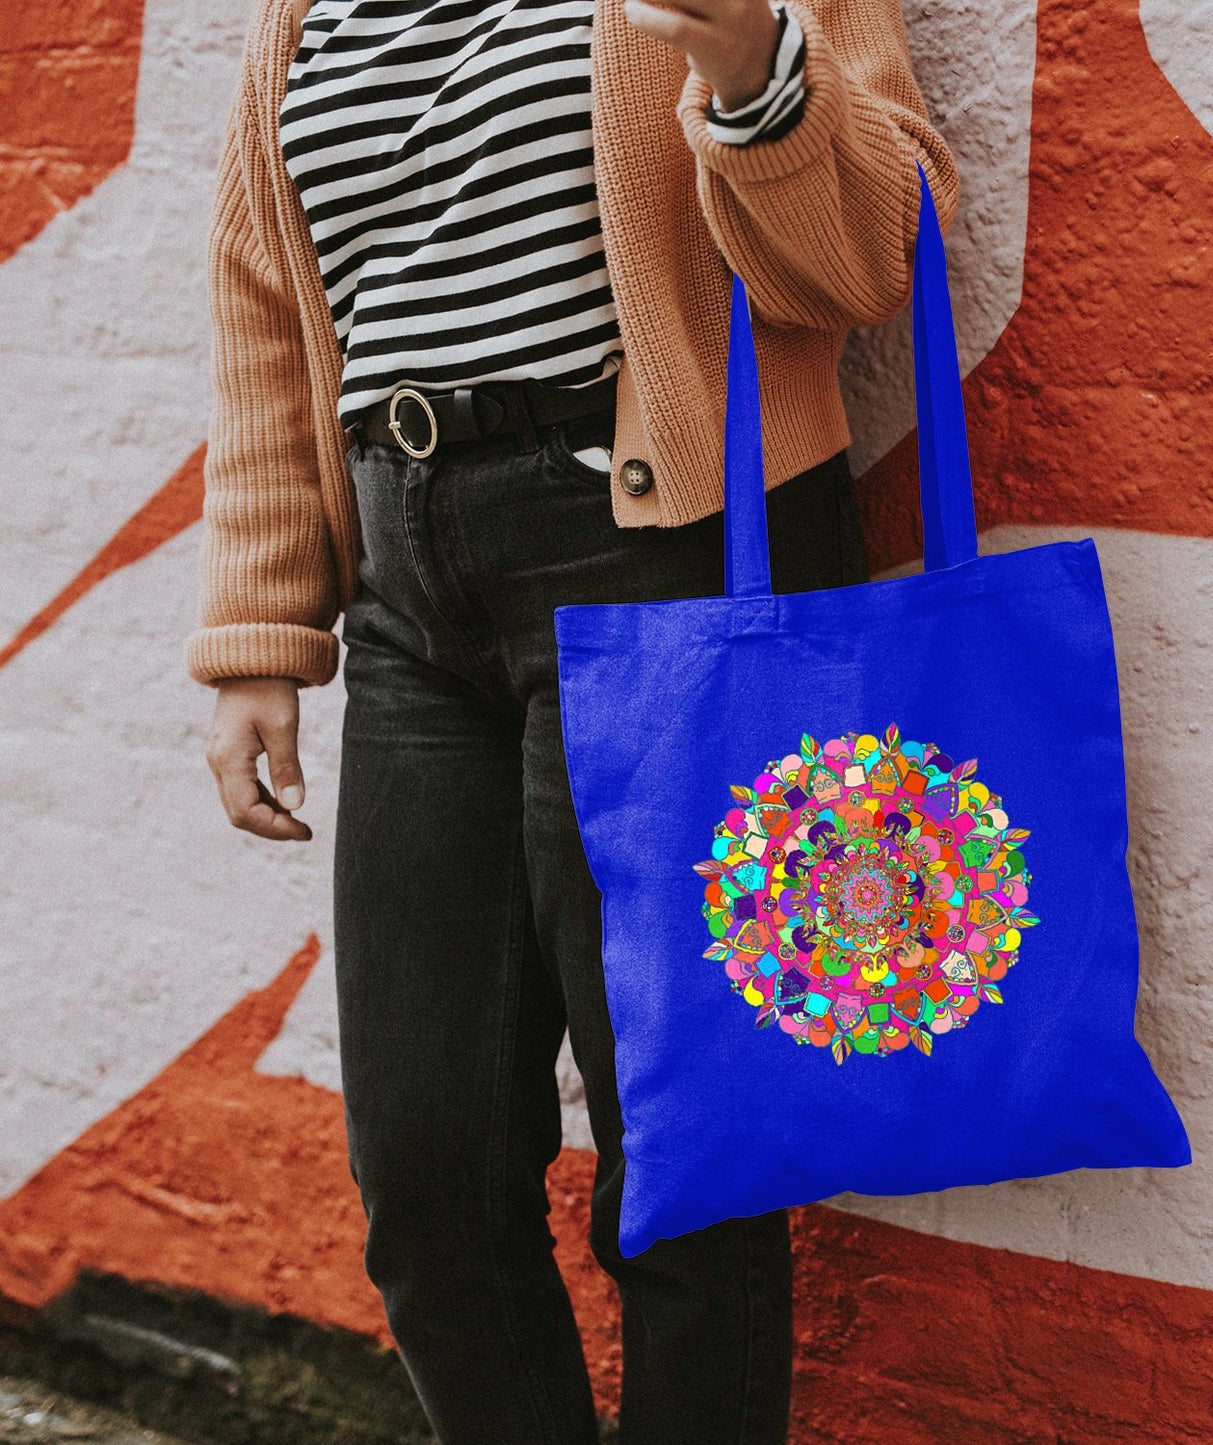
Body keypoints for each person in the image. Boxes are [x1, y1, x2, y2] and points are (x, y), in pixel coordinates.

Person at [187, 0, 959, 1439]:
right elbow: (263, 304)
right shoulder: (298, 10)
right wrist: (258, 629)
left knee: (678, 1163)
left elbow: (865, 259)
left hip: (667, 559)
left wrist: (751, 69)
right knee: (427, 1179)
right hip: (411, 589)